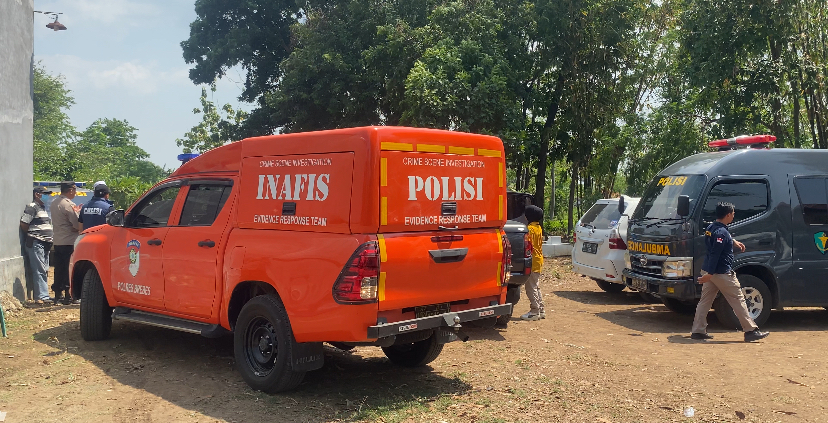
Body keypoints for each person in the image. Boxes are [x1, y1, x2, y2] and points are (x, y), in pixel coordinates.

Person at [691, 202, 769, 342]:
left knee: (705, 301)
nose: (733, 216)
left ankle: (698, 331)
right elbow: (716, 252)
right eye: (732, 214)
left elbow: (717, 239)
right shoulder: (722, 232)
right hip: (720, 273)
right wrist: (710, 273)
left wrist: (732, 241)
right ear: (727, 215)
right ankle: (750, 330)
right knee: (738, 299)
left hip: (710, 272)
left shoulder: (712, 227)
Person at [20, 187, 55, 304]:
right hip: (36, 242)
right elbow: (24, 223)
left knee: (44, 269)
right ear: (37, 195)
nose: (47, 197)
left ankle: (43, 295)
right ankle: (41, 296)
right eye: (45, 194)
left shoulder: (43, 208)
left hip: (45, 243)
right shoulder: (32, 207)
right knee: (39, 269)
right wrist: (33, 234)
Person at [50, 181, 82, 305]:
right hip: (69, 240)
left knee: (59, 268)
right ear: (70, 190)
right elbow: (76, 224)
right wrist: (78, 214)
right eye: (74, 190)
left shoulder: (54, 203)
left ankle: (58, 295)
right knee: (69, 268)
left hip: (58, 240)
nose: (75, 193)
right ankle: (69, 295)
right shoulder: (68, 205)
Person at [520, 205, 546, 321]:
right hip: (539, 259)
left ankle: (534, 311)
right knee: (536, 286)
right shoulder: (538, 227)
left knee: (530, 287)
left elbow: (527, 245)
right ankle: (541, 310)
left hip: (533, 260)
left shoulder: (529, 229)